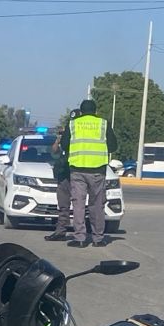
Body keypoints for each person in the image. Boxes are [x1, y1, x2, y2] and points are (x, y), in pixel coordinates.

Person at [58, 99, 118, 247]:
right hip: (98, 170)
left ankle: (79, 238)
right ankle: (98, 238)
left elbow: (64, 145)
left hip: (77, 170)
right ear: (95, 111)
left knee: (78, 204)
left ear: (81, 111)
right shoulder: (103, 124)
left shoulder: (73, 124)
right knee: (97, 204)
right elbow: (113, 146)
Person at [44, 115, 75, 242]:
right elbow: (54, 153)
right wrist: (59, 140)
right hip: (64, 175)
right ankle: (61, 231)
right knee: (63, 205)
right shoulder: (63, 141)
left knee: (80, 205)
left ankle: (80, 234)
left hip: (77, 174)